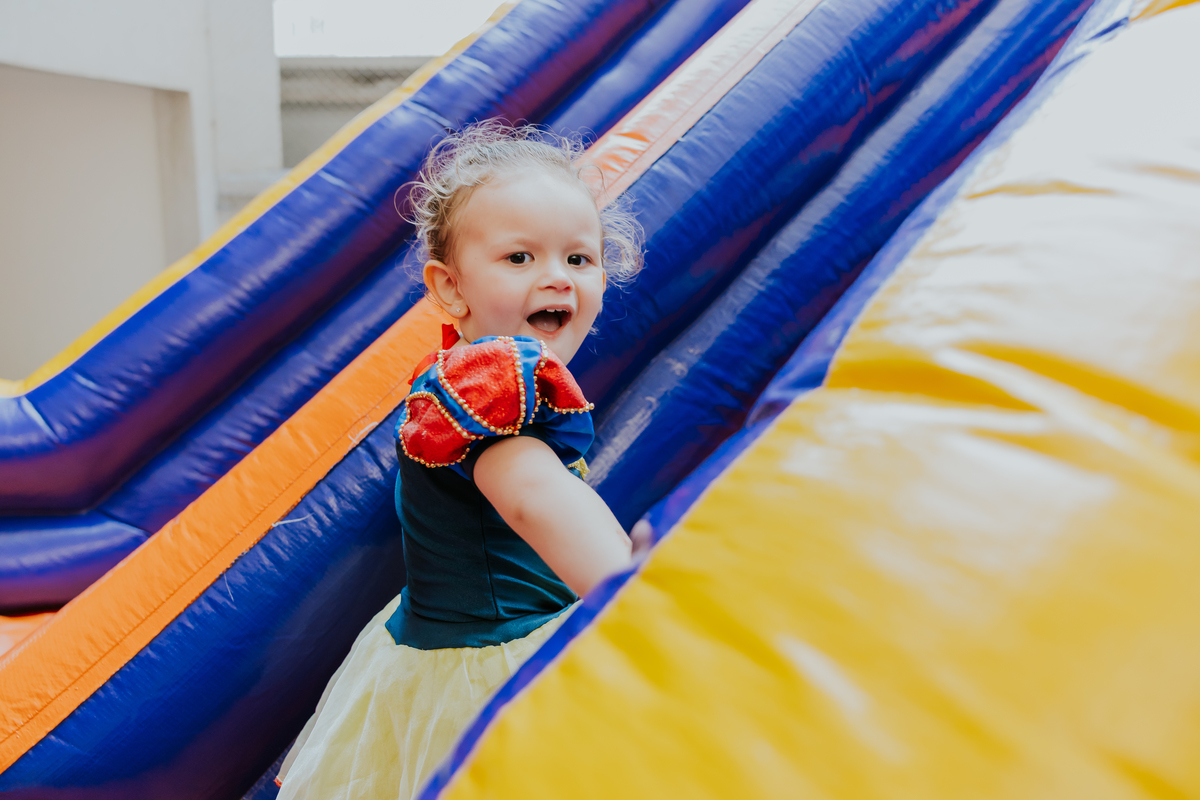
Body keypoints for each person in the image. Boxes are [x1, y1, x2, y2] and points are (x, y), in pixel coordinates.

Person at [276, 121, 647, 800]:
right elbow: (530, 495)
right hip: (496, 671)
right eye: (519, 259)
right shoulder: (490, 388)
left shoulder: (458, 379)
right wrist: (640, 593)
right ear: (449, 289)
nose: (556, 279)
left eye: (578, 259)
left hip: (452, 652)